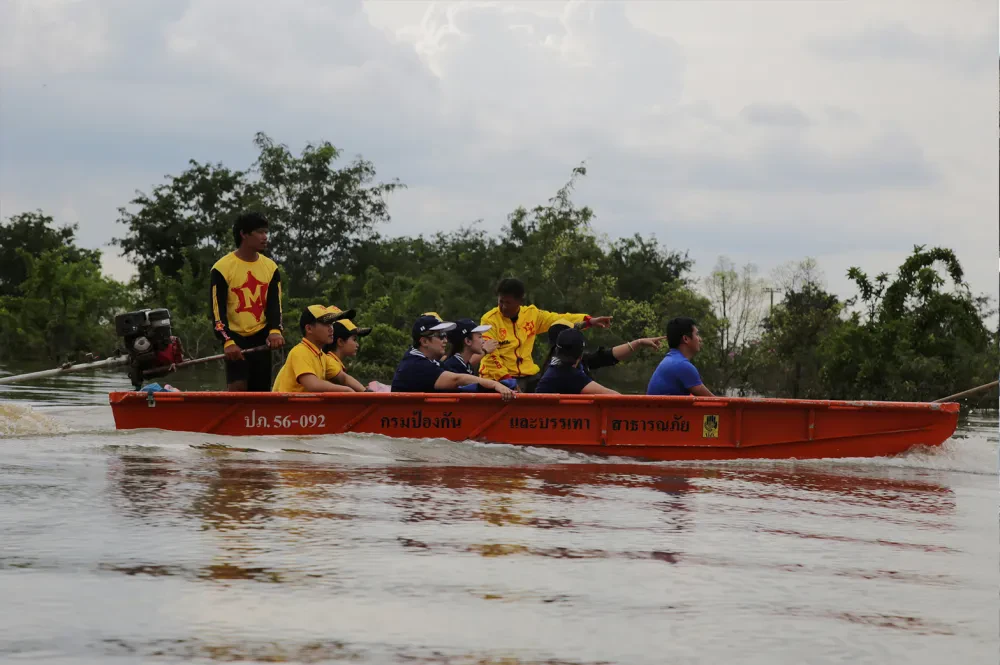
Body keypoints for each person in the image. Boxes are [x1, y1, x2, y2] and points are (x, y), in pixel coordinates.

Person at [478, 278, 612, 389]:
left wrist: (589, 321)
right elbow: (491, 356)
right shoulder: (489, 319)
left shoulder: (531, 314)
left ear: (520, 301)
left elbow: (559, 319)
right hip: (498, 378)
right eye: (500, 301)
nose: (503, 306)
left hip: (527, 375)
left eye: (508, 302)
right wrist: (507, 380)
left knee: (548, 389)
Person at [211, 211, 285, 391]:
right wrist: (227, 341)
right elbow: (217, 312)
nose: (265, 237)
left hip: (261, 337)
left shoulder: (270, 267)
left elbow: (276, 306)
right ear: (244, 234)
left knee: (261, 394)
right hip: (235, 338)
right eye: (260, 232)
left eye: (266, 232)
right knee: (237, 389)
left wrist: (275, 331)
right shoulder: (222, 268)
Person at [391, 314, 515, 401]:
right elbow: (456, 379)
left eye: (445, 335)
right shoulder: (417, 364)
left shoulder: (429, 361)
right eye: (440, 336)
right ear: (424, 342)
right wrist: (494, 385)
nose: (445, 340)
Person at [525, 319, 667, 392]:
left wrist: (639, 342)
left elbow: (607, 356)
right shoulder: (565, 371)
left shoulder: (571, 361)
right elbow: (611, 397)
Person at [272, 306, 356, 393]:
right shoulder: (300, 352)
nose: (331, 328)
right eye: (326, 324)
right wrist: (346, 389)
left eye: (331, 324)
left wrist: (365, 391)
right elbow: (313, 385)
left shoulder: (321, 355)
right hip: (287, 406)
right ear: (309, 329)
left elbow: (343, 378)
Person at [535, 328, 619, 395]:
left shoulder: (554, 368)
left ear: (557, 350)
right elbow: (613, 396)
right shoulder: (569, 374)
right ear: (581, 354)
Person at [646, 317, 715, 397]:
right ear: (686, 339)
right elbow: (715, 401)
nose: (700, 339)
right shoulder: (682, 365)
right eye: (697, 334)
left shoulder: (671, 360)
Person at [323, 316, 372, 392]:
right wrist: (365, 391)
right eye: (354, 339)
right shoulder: (330, 361)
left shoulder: (334, 362)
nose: (357, 344)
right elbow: (345, 379)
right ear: (340, 342)